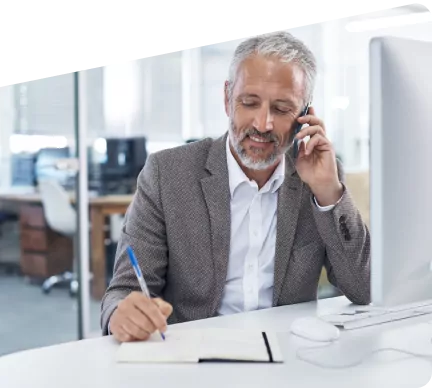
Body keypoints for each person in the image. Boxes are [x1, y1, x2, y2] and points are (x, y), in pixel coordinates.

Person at [101, 32, 370, 342]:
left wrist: (328, 193)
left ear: (304, 115)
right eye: (249, 102)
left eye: (282, 109)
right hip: (193, 357)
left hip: (290, 357)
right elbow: (124, 291)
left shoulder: (319, 175)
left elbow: (364, 288)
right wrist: (121, 313)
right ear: (227, 99)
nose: (262, 124)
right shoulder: (167, 174)